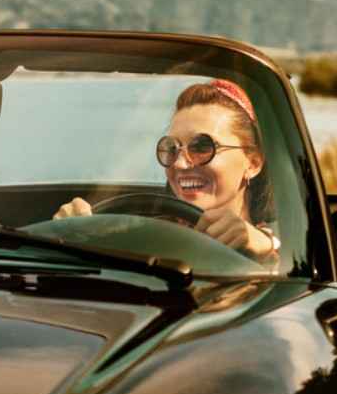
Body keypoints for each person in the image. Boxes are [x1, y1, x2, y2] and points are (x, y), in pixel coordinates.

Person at [54, 79, 278, 261]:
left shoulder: (290, 251)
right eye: (171, 149)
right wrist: (68, 235)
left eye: (202, 147)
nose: (179, 164)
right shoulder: (140, 235)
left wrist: (265, 248)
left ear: (253, 163)